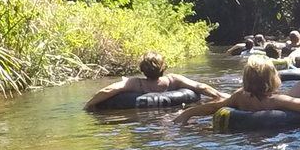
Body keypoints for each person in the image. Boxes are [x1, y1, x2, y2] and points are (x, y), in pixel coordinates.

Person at [173, 55, 300, 124]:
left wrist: (187, 113)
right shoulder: (274, 101)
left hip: (254, 119)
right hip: (292, 118)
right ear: (271, 78)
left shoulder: (240, 95)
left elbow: (214, 106)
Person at [84, 52, 228, 109]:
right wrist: (220, 96)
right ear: (163, 67)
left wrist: (88, 105)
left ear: (142, 69)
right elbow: (201, 87)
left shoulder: (135, 83)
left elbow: (108, 90)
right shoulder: (173, 80)